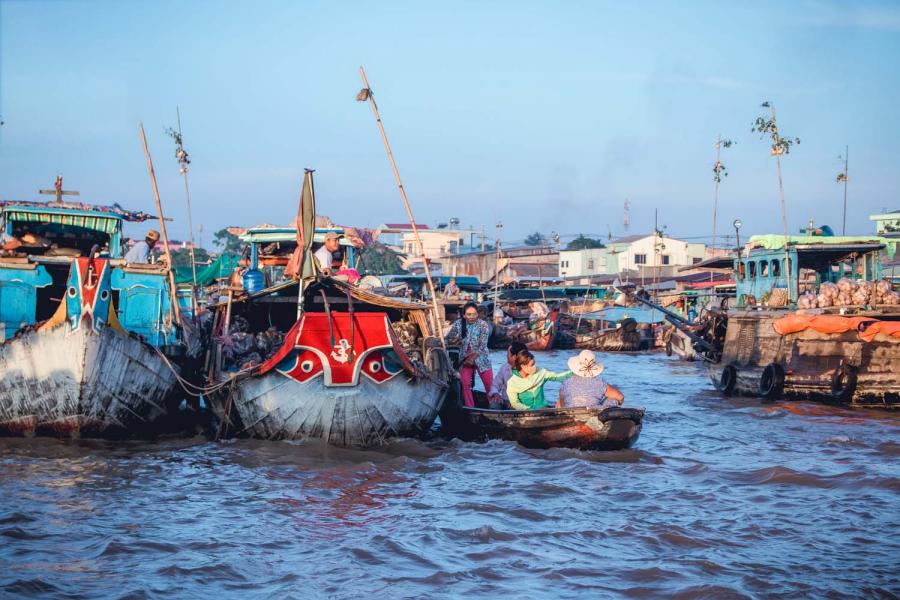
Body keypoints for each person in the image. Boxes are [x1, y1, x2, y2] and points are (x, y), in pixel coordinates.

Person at [445, 301, 493, 408]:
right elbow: (448, 338)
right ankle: (470, 408)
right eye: (469, 314)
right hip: (465, 360)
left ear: (478, 314)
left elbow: (483, 345)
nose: (472, 317)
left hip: (482, 359)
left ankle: (493, 407)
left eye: (474, 314)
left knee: (489, 386)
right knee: (465, 385)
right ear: (464, 315)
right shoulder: (458, 324)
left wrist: (472, 357)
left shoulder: (483, 325)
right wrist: (454, 341)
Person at [557, 350, 624, 409]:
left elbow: (561, 405)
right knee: (612, 399)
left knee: (560, 403)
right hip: (591, 414)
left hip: (571, 414)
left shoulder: (566, 383)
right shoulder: (599, 383)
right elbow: (620, 397)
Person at [506, 350, 573, 410]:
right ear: (523, 366)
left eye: (534, 363)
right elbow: (515, 403)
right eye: (532, 365)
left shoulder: (540, 372)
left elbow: (558, 377)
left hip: (543, 409)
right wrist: (530, 410)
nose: (535, 366)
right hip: (525, 412)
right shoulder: (512, 383)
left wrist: (574, 371)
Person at [489, 341, 527, 408]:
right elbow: (495, 385)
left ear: (514, 357)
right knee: (494, 402)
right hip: (505, 402)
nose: (506, 356)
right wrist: (496, 394)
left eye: (508, 354)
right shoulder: (505, 367)